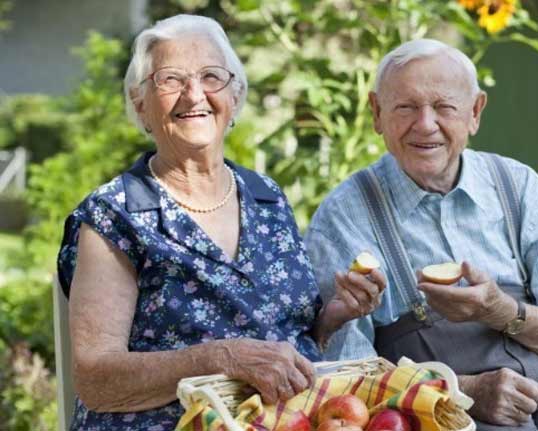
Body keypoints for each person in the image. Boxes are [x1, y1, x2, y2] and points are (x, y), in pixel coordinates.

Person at [304, 39, 538, 431]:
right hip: (444, 407)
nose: (425, 124)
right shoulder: (346, 213)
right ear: (376, 112)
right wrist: (464, 389)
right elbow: (345, 374)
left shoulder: (516, 185)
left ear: (475, 112)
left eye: (444, 107)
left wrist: (502, 310)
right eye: (406, 107)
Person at [57, 14, 384, 431]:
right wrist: (220, 358)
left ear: (235, 97)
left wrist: (333, 316)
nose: (194, 95)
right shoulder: (116, 214)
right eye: (171, 80)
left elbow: (288, 337)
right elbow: (96, 380)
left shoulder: (265, 195)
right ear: (141, 105)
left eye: (211, 77)